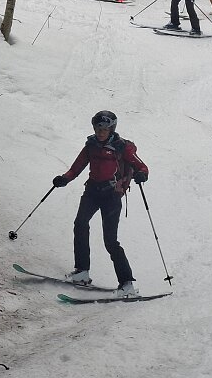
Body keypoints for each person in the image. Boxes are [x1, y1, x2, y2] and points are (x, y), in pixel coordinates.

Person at [52, 110, 150, 298]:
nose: (100, 132)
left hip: (111, 195)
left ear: (111, 129)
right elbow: (76, 168)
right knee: (80, 224)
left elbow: (142, 166)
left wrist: (142, 174)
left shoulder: (122, 147)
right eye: (97, 128)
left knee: (110, 241)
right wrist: (64, 179)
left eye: (104, 129)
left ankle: (127, 284)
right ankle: (82, 271)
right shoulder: (91, 145)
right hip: (92, 191)